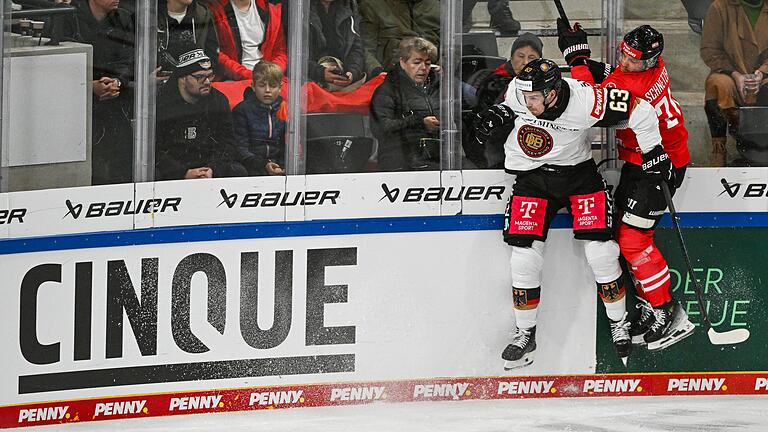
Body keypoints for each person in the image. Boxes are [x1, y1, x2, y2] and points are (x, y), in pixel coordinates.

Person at [475, 58, 669, 368]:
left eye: (535, 98)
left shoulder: (586, 99)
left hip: (580, 176)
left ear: (552, 92)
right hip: (533, 178)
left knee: (603, 254)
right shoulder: (520, 91)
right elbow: (513, 104)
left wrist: (654, 150)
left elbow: (641, 109)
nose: (529, 102)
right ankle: (526, 332)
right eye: (526, 97)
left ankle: (618, 323)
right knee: (523, 259)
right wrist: (499, 113)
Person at [559, 22, 695, 352]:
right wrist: (584, 59)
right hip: (643, 161)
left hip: (658, 163)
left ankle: (669, 312)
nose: (625, 61)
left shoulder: (630, 85)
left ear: (650, 61)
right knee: (626, 236)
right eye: (624, 54)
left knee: (633, 242)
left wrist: (577, 60)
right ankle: (653, 305)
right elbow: (613, 75)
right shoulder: (653, 68)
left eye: (633, 60)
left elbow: (590, 107)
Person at [47, 0, 135, 185]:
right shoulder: (66, 16)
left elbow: (130, 59)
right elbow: (54, 65)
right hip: (73, 107)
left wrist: (117, 81)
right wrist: (88, 85)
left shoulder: (124, 18)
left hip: (115, 98)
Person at [155, 42, 248, 180]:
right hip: (174, 170)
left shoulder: (219, 100)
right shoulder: (161, 103)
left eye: (210, 76)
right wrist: (182, 173)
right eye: (199, 77)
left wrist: (213, 169)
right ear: (182, 78)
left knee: (239, 171)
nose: (207, 82)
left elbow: (227, 144)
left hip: (208, 167)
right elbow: (154, 150)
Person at [700, 0, 768, 166]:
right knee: (717, 84)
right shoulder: (720, 7)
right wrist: (735, 74)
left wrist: (762, 72)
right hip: (731, 73)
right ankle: (719, 150)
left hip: (765, 75)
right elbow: (709, 50)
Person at [465, 32, 543, 168]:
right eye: (520, 56)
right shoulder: (494, 82)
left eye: (532, 57)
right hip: (495, 153)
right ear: (512, 57)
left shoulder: (546, 85)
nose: (525, 62)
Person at [370, 37, 440, 172]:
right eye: (417, 62)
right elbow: (380, 128)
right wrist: (420, 123)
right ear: (402, 62)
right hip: (400, 161)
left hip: (436, 157)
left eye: (427, 63)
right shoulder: (388, 90)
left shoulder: (439, 86)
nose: (423, 68)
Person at [207, 0, 288, 81]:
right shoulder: (214, 9)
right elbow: (214, 52)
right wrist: (248, 75)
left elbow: (280, 50)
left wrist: (273, 72)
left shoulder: (271, 9)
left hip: (268, 80)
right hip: (232, 80)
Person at [232, 61, 288, 176]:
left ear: (280, 87)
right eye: (262, 85)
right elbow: (240, 149)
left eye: (272, 86)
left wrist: (281, 165)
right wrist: (264, 165)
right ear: (253, 86)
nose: (267, 90)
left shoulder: (285, 108)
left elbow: (287, 145)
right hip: (252, 165)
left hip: (279, 165)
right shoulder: (242, 110)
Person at [359, 0, 440, 79]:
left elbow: (449, 44)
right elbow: (365, 48)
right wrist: (377, 72)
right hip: (391, 78)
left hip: (433, 77)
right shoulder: (373, 5)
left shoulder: (437, 7)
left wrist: (444, 66)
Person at [308, 0, 366, 92]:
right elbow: (294, 56)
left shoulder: (348, 5)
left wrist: (352, 72)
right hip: (310, 80)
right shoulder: (300, 8)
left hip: (342, 79)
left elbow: (356, 47)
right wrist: (320, 73)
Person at [157, 0, 220, 80]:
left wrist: (204, 74)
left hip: (193, 85)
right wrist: (145, 79)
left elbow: (212, 53)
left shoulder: (202, 13)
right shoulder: (149, 13)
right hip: (157, 85)